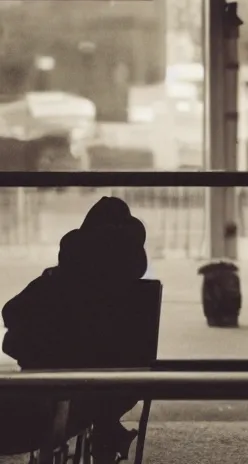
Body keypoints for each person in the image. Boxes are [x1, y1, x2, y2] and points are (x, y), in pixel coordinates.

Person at [2, 196, 149, 462]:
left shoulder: (56, 283)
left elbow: (11, 313)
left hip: (44, 401)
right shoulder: (135, 298)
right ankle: (107, 432)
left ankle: (106, 431)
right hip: (102, 397)